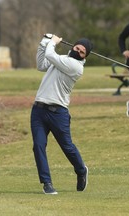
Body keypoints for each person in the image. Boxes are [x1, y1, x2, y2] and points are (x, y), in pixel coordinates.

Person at [31, 33, 92, 195]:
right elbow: (41, 64)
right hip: (38, 110)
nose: (78, 51)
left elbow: (51, 55)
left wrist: (52, 42)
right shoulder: (62, 58)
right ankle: (47, 183)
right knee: (38, 145)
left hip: (58, 113)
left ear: (84, 57)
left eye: (82, 51)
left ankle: (81, 170)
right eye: (77, 47)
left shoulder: (76, 67)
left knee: (67, 146)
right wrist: (43, 43)